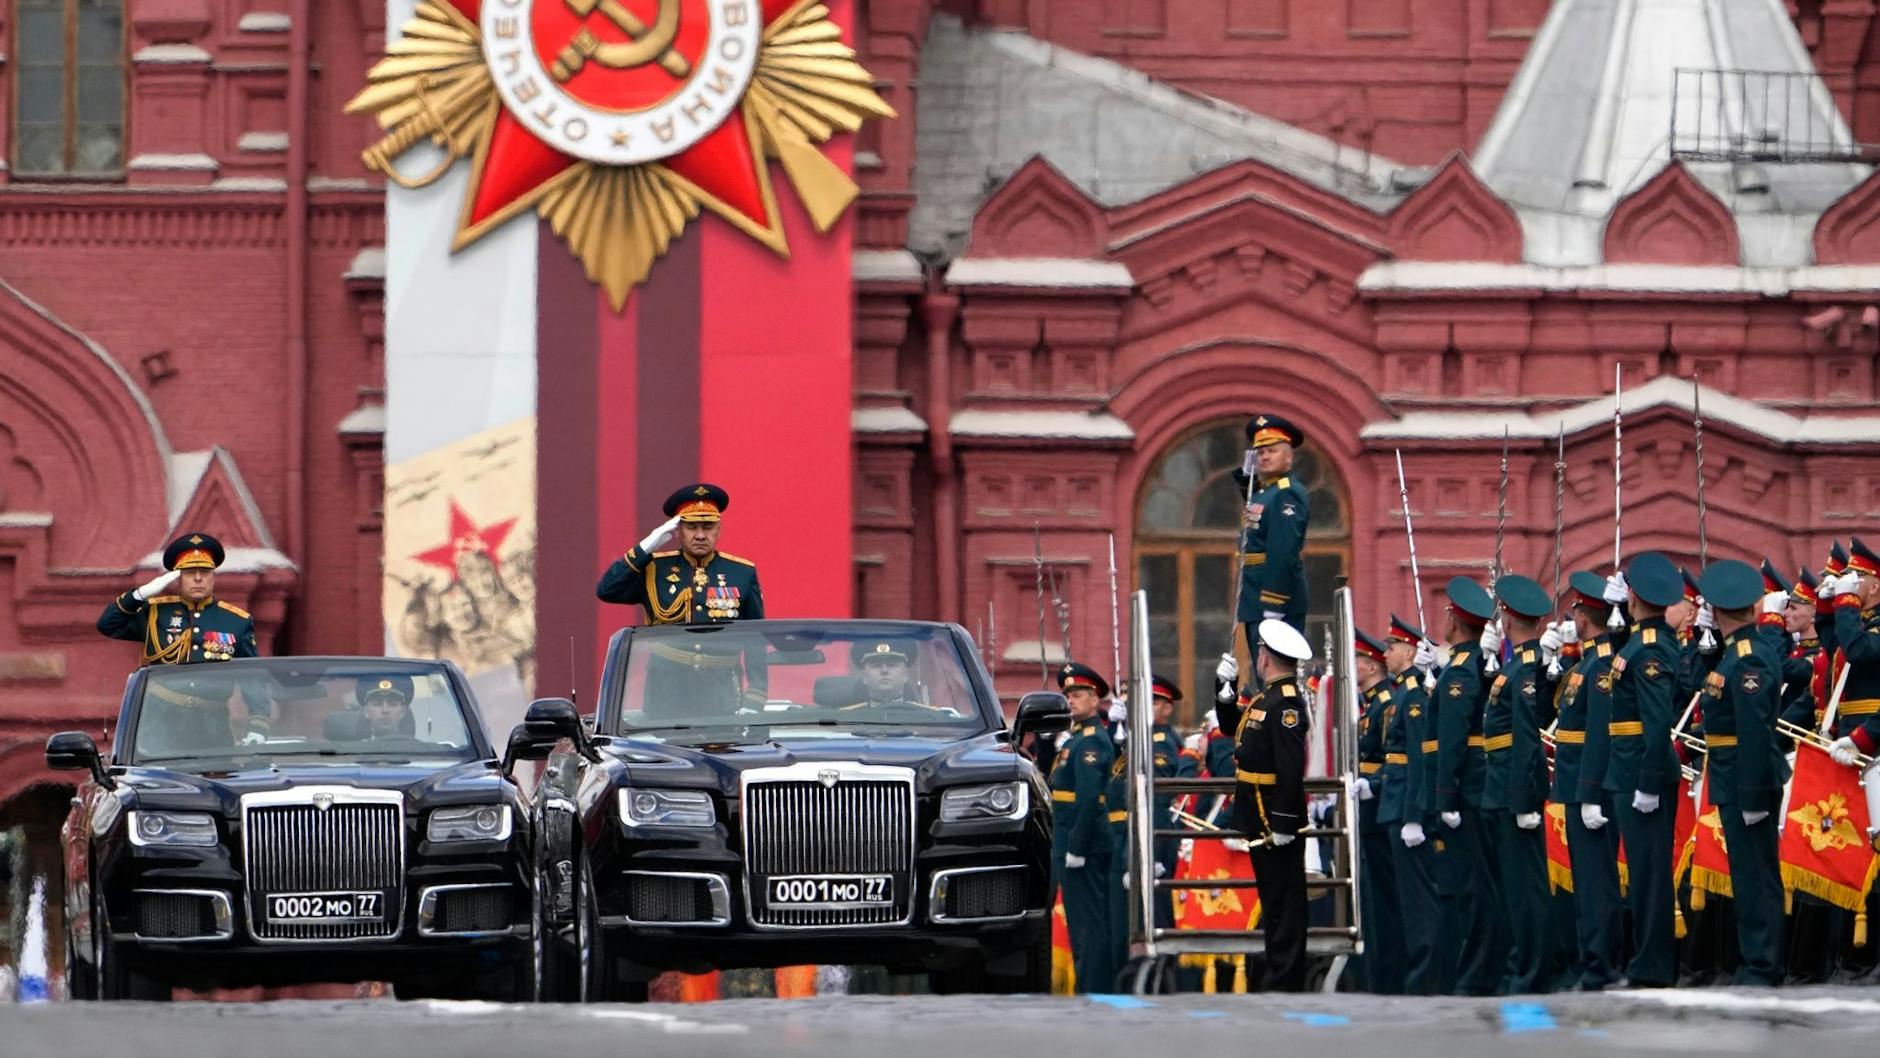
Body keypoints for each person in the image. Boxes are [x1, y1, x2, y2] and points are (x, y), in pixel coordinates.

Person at [1697, 559, 1789, 987]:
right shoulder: (1733, 654)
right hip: (1733, 777)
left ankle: (1763, 963)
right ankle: (1755, 957)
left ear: (1716, 612)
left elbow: (1753, 733)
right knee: (1746, 873)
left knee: (1756, 875)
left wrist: (1752, 795)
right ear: (1754, 608)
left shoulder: (1748, 658)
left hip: (1746, 779)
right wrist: (1704, 646)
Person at [1602, 552, 1687, 989]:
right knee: (1641, 872)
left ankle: (1652, 966)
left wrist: (1649, 782)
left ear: (1634, 596)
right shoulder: (1640, 640)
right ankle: (1643, 961)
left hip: (1641, 774)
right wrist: (1613, 622)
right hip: (1629, 770)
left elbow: (1657, 725)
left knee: (1650, 875)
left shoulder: (1652, 647)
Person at [1216, 619, 1314, 991]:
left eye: (1259, 650)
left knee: (1286, 904)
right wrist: (1223, 690)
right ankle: (1279, 973)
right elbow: (1233, 728)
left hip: (1274, 816)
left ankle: (1287, 980)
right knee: (1273, 902)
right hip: (1260, 815)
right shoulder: (1266, 698)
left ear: (1266, 656)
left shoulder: (1286, 702)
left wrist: (1285, 822)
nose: (1256, 656)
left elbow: (1290, 769)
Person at [1430, 576, 1507, 995]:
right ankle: (1480, 970)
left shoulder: (1462, 669)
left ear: (1455, 620)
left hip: (1468, 790)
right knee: (1477, 886)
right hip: (1474, 787)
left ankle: (1479, 974)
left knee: (1476, 889)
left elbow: (1454, 737)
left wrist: (1446, 795)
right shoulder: (1466, 665)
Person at [1483, 574, 1558, 994]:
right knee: (1515, 891)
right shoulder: (1514, 665)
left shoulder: (1526, 667)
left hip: (1517, 794)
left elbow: (1527, 736)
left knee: (1527, 891)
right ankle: (1521, 966)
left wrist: (1525, 798)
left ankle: (1531, 972)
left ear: (1508, 621)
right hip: (1503, 789)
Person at [1379, 612, 1443, 994]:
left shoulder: (1416, 694)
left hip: (1407, 807)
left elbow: (1420, 756)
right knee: (1408, 900)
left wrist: (1415, 814)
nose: (1386, 652)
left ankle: (1426, 977)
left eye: (1392, 646)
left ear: (1410, 650)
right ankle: (1416, 973)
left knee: (1420, 902)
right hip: (1394, 801)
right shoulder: (1402, 692)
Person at [597, 484, 764, 624]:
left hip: (723, 664)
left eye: (708, 527)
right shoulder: (654, 568)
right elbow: (607, 591)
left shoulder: (742, 572)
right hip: (667, 664)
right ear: (677, 530)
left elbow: (755, 636)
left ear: (719, 530)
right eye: (691, 527)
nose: (700, 535)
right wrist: (646, 547)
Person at [1050, 662, 1116, 994]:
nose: (1071, 701)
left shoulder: (1091, 743)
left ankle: (1095, 988)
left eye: (1078, 695)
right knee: (1079, 922)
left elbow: (1089, 800)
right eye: (1069, 696)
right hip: (1069, 843)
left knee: (1089, 923)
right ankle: (1088, 983)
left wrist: (1076, 846)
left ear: (1095, 700)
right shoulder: (1074, 740)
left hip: (1083, 847)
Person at [97, 532, 259, 667]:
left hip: (212, 705)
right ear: (177, 578)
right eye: (189, 572)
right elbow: (108, 625)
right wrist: (139, 595)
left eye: (204, 572)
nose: (197, 578)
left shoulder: (236, 621)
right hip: (165, 705)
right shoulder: (155, 613)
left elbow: (251, 677)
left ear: (213, 576)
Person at [1353, 628, 1407, 994]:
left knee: (1386, 900)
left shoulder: (1387, 702)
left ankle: (1389, 972)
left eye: (1357, 661)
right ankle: (1378, 971)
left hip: (1380, 804)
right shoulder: (1372, 702)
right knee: (1374, 900)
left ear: (1370, 667)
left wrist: (1373, 785)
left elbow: (1393, 757)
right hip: (1369, 806)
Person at [1233, 415, 1311, 650]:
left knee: (1274, 676)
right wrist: (1246, 477)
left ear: (1289, 456)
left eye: (1272, 451)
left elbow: (1282, 550)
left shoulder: (1288, 494)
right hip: (1255, 597)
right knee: (1262, 674)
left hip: (1275, 600)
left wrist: (1274, 603)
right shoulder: (1268, 491)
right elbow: (1258, 507)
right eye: (1261, 452)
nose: (1264, 456)